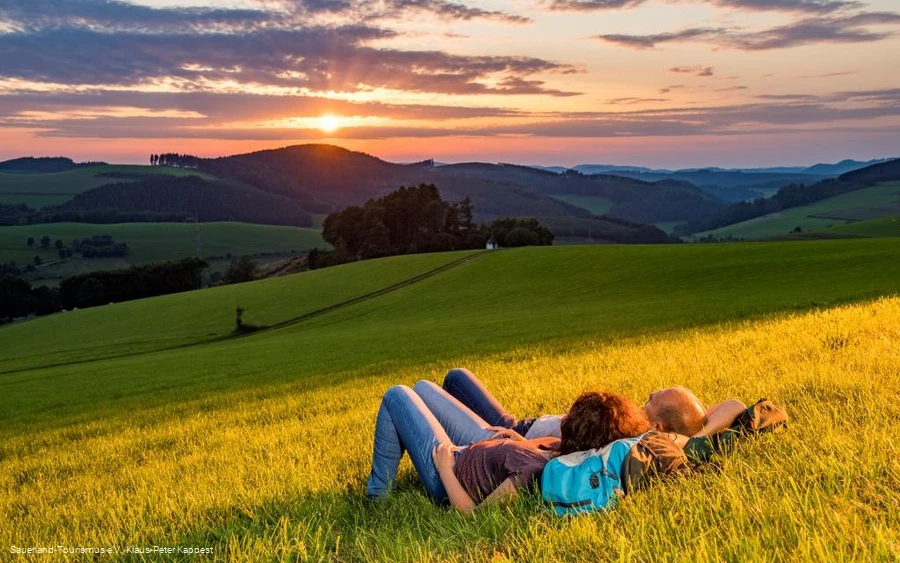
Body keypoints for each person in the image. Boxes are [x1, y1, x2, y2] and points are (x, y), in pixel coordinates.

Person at [366, 380, 649, 513]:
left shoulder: (534, 474)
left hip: (448, 469)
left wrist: (444, 470)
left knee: (397, 395)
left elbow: (472, 515)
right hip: (479, 446)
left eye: (570, 417)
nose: (565, 418)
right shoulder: (564, 453)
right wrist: (521, 443)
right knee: (424, 387)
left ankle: (376, 498)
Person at [442, 368, 746, 439]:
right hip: (522, 422)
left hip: (514, 433)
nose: (648, 395)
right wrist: (696, 436)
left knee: (452, 380)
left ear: (658, 426)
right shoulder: (672, 431)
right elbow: (735, 404)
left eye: (653, 398)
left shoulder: (635, 439)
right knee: (456, 380)